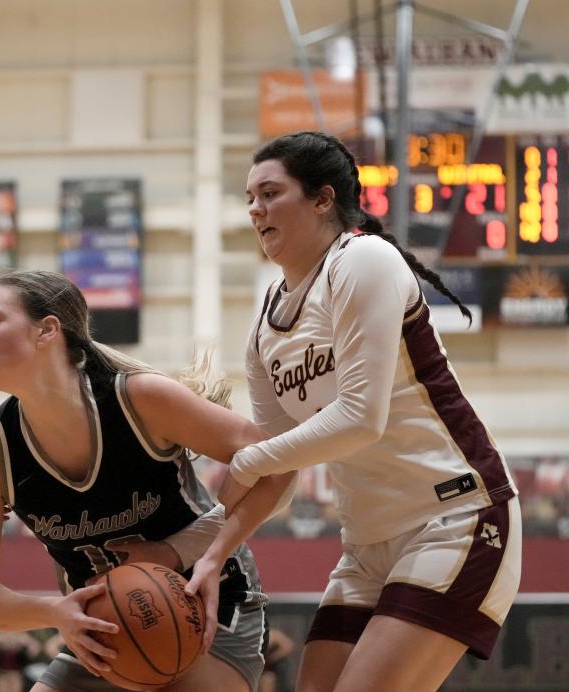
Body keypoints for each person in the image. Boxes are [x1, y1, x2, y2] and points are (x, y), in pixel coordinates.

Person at [185, 131, 521, 692]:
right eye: (249, 197)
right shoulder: (265, 321)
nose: (255, 210)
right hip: (367, 546)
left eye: (270, 193)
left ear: (322, 199)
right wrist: (212, 551)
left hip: (457, 518)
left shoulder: (363, 259)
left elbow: (361, 417)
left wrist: (246, 463)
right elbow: (281, 473)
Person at [0, 269, 295, 692]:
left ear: (47, 331)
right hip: (104, 627)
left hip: (208, 604)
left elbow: (279, 465)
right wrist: (56, 612)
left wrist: (176, 552)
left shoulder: (141, 400)